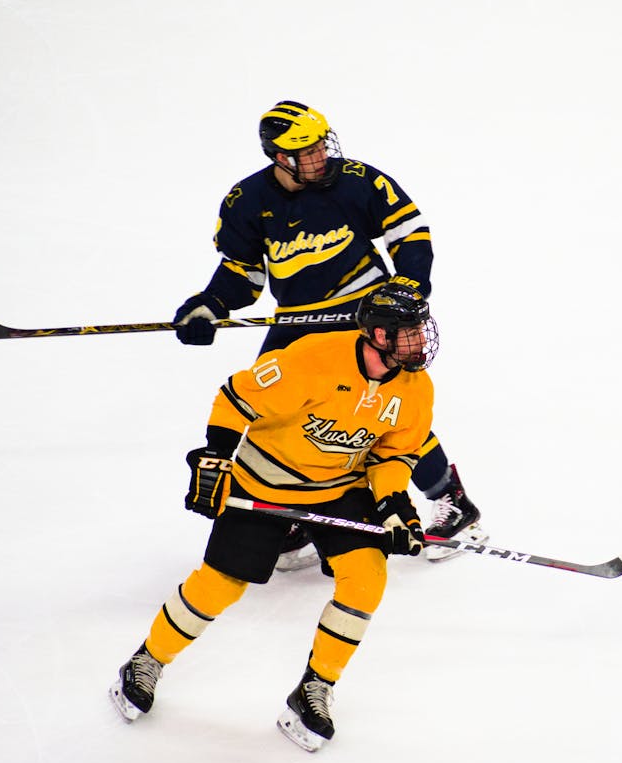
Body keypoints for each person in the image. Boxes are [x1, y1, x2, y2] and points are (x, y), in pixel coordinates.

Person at [110, 284, 438, 752]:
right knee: (221, 583)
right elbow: (234, 398)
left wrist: (394, 506)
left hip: (337, 488)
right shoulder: (310, 358)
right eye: (409, 333)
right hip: (265, 482)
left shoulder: (415, 388)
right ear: (379, 334)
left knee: (366, 577)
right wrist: (216, 456)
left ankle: (314, 689)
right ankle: (148, 660)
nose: (421, 341)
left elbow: (394, 453)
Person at [171, 99, 484, 568]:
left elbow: (411, 234)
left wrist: (409, 286)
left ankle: (451, 502)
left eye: (322, 145)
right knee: (272, 408)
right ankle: (302, 511)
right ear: (279, 157)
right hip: (300, 320)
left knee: (388, 408)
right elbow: (243, 272)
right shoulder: (247, 201)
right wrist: (212, 303)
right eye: (308, 151)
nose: (321, 156)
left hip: (369, 313)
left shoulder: (359, 181)